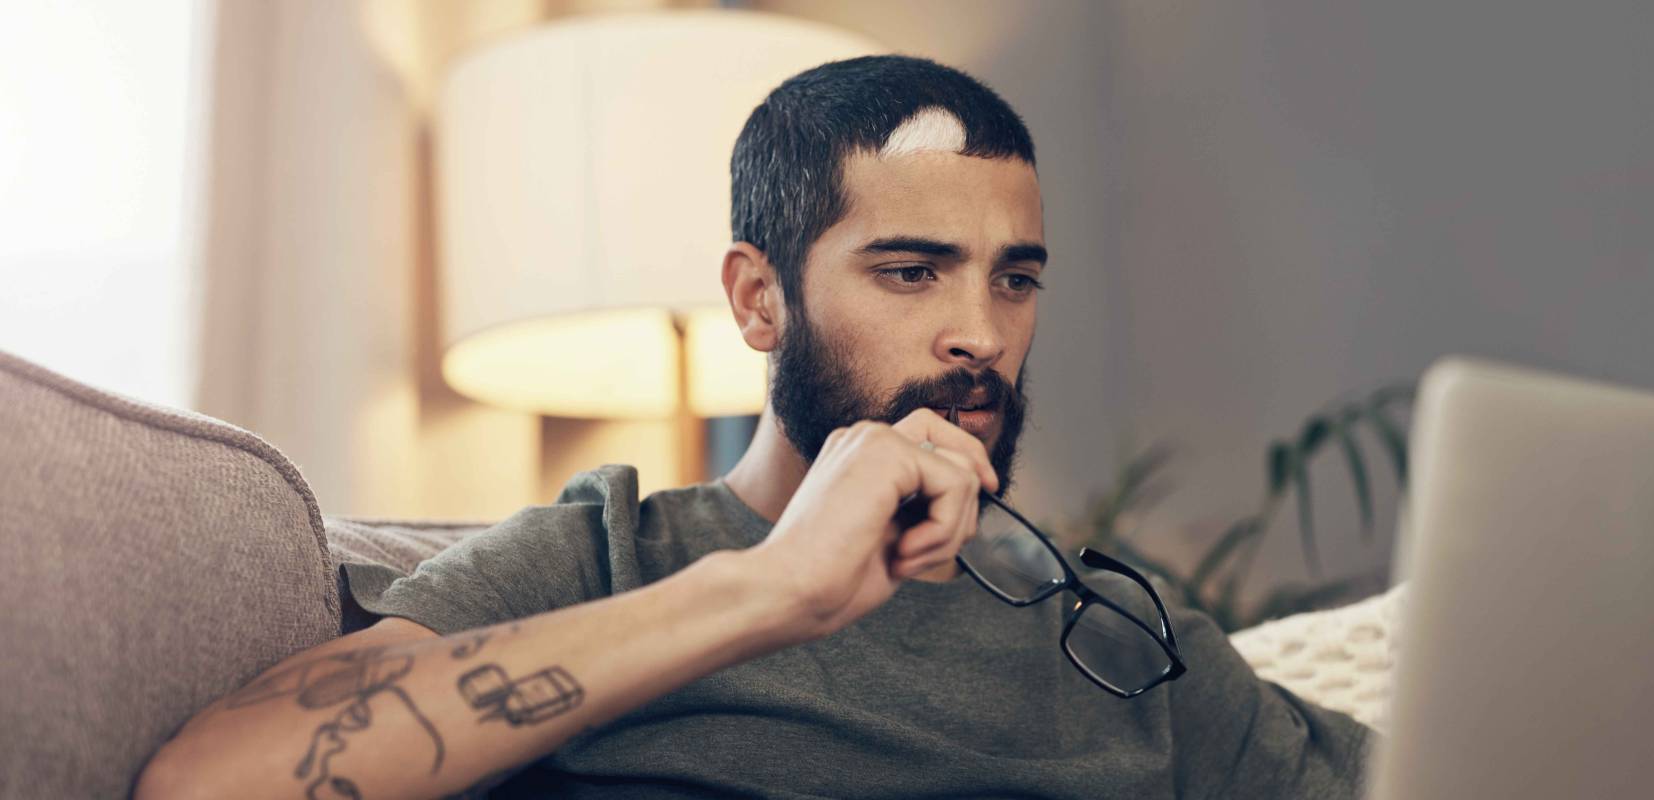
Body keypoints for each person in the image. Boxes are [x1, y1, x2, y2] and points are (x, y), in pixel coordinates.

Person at [136, 55, 1370, 799]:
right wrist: (772, 588)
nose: (982, 333)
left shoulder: (1121, 638)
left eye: (1015, 277)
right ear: (757, 296)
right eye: (911, 271)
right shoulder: (608, 553)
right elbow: (216, 784)